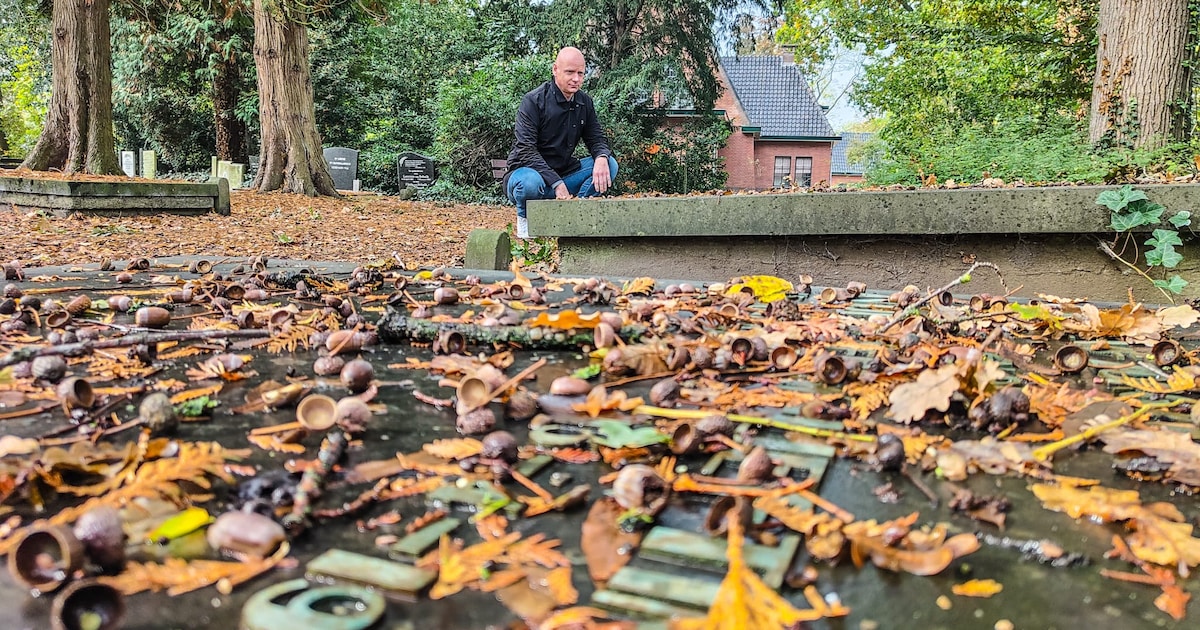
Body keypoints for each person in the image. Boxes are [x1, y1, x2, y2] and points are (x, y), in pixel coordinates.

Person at [505, 47, 618, 239]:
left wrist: (601, 157)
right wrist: (556, 182)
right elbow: (526, 150)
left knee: (610, 165)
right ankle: (525, 222)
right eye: (570, 72)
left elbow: (596, 138)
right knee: (530, 183)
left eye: (580, 73)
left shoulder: (584, 102)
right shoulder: (533, 101)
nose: (576, 78)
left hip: (565, 174)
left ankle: (574, 214)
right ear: (555, 69)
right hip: (527, 174)